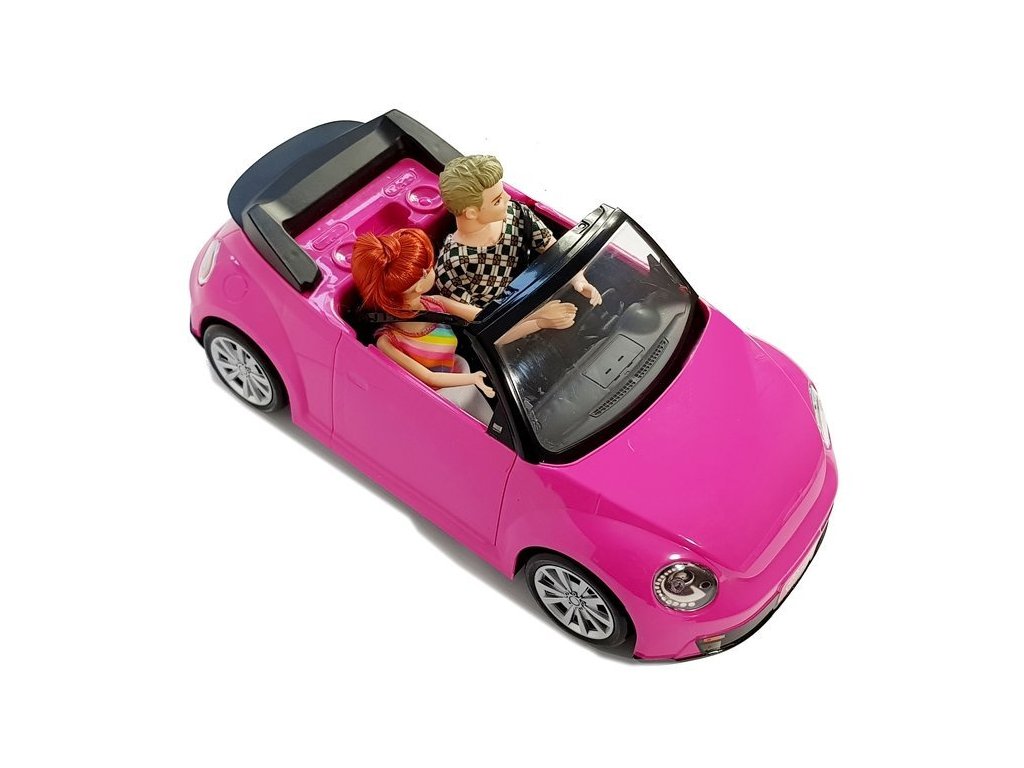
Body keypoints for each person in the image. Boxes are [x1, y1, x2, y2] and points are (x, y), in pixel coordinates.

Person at [351, 228, 576, 422]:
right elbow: (429, 379)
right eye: (428, 269)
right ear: (418, 284)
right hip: (438, 402)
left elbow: (487, 318)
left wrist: (538, 317)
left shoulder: (435, 305)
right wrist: (472, 378)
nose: (433, 268)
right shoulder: (389, 341)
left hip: (461, 378)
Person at [435, 155, 602, 308]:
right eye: (497, 200)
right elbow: (473, 320)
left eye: (503, 191)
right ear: (471, 213)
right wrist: (537, 321)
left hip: (535, 291)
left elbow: (554, 249)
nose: (508, 198)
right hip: (504, 317)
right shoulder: (451, 265)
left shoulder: (516, 213)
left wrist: (577, 278)